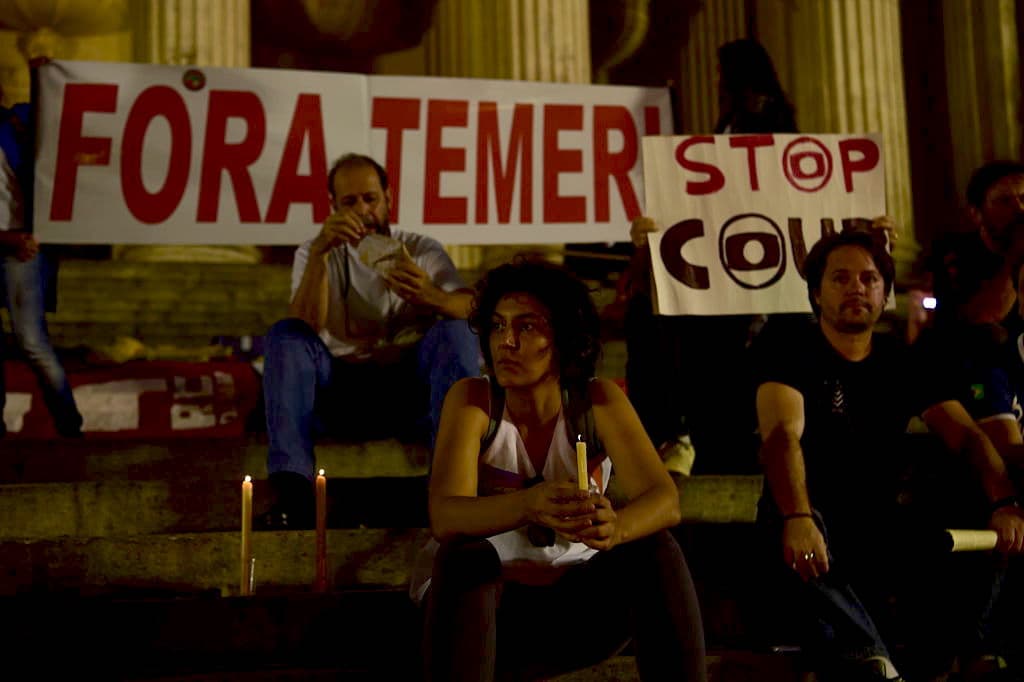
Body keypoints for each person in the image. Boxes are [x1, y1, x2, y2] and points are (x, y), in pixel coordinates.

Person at [415, 258, 706, 681]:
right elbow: (446, 517)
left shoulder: (597, 401)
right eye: (497, 326)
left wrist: (616, 528)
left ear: (565, 336)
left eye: (526, 327)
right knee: (466, 557)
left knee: (655, 549)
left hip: (576, 608)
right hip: (484, 616)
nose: (506, 342)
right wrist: (530, 504)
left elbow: (665, 501)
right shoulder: (474, 400)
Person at [752, 230, 1024, 681]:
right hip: (807, 520)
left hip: (881, 524)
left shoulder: (903, 359)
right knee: (800, 533)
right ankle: (874, 658)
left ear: (885, 294)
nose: (857, 288)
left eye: (869, 278)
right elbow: (782, 436)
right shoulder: (790, 351)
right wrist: (797, 515)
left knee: (978, 516)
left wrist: (1004, 502)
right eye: (840, 279)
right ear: (817, 295)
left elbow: (969, 437)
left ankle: (953, 654)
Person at [260, 153, 479, 528]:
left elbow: (473, 308)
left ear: (388, 198)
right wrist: (319, 255)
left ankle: (451, 482)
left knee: (455, 330)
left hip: (408, 390)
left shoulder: (422, 250)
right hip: (341, 388)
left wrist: (432, 296)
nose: (363, 211)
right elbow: (302, 325)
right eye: (350, 202)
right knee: (285, 335)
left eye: (370, 199)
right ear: (332, 207)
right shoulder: (315, 253)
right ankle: (293, 488)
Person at [622, 38, 798, 475]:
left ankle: (691, 435)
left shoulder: (771, 127)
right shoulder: (729, 124)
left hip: (749, 265)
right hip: (719, 262)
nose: (717, 83)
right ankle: (675, 433)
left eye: (722, 74)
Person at [0, 98, 82, 438]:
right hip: (11, 242)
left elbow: (55, 118)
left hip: (19, 248)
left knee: (31, 341)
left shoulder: (12, 125)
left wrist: (44, 76)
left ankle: (69, 426)